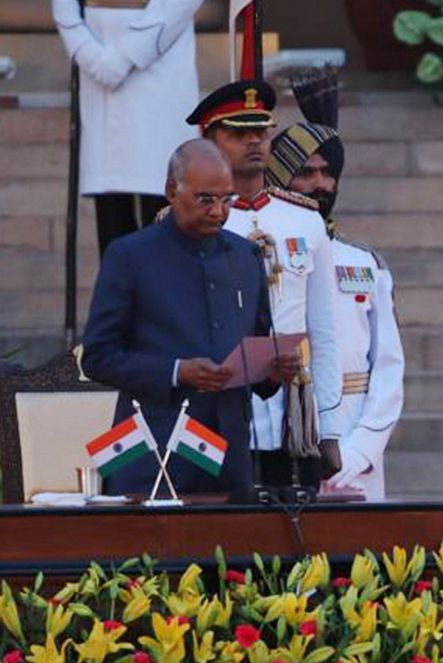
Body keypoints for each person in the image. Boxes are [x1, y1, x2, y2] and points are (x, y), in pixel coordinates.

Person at [81, 140, 294, 496]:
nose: (218, 211)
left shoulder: (246, 256)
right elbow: (98, 358)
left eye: (227, 199)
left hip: (229, 455)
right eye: (205, 199)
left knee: (230, 552)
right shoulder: (129, 256)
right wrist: (178, 371)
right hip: (151, 450)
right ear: (171, 192)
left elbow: (254, 359)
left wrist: (271, 372)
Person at [188, 79, 343, 490]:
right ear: (208, 140)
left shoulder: (304, 218)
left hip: (292, 415)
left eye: (261, 131)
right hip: (215, 412)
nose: (254, 141)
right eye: (239, 133)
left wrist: (328, 426)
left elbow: (324, 331)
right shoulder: (187, 222)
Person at [266, 70, 406, 501]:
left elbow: (388, 368)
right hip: (280, 434)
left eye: (329, 172)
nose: (320, 184)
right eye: (306, 172)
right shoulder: (255, 250)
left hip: (356, 439)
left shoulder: (364, 262)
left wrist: (359, 450)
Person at [52, 0, 201, 256]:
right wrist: (88, 52)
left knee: (163, 219)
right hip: (97, 63)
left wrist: (124, 58)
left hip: (162, 66)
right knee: (113, 231)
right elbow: (65, 9)